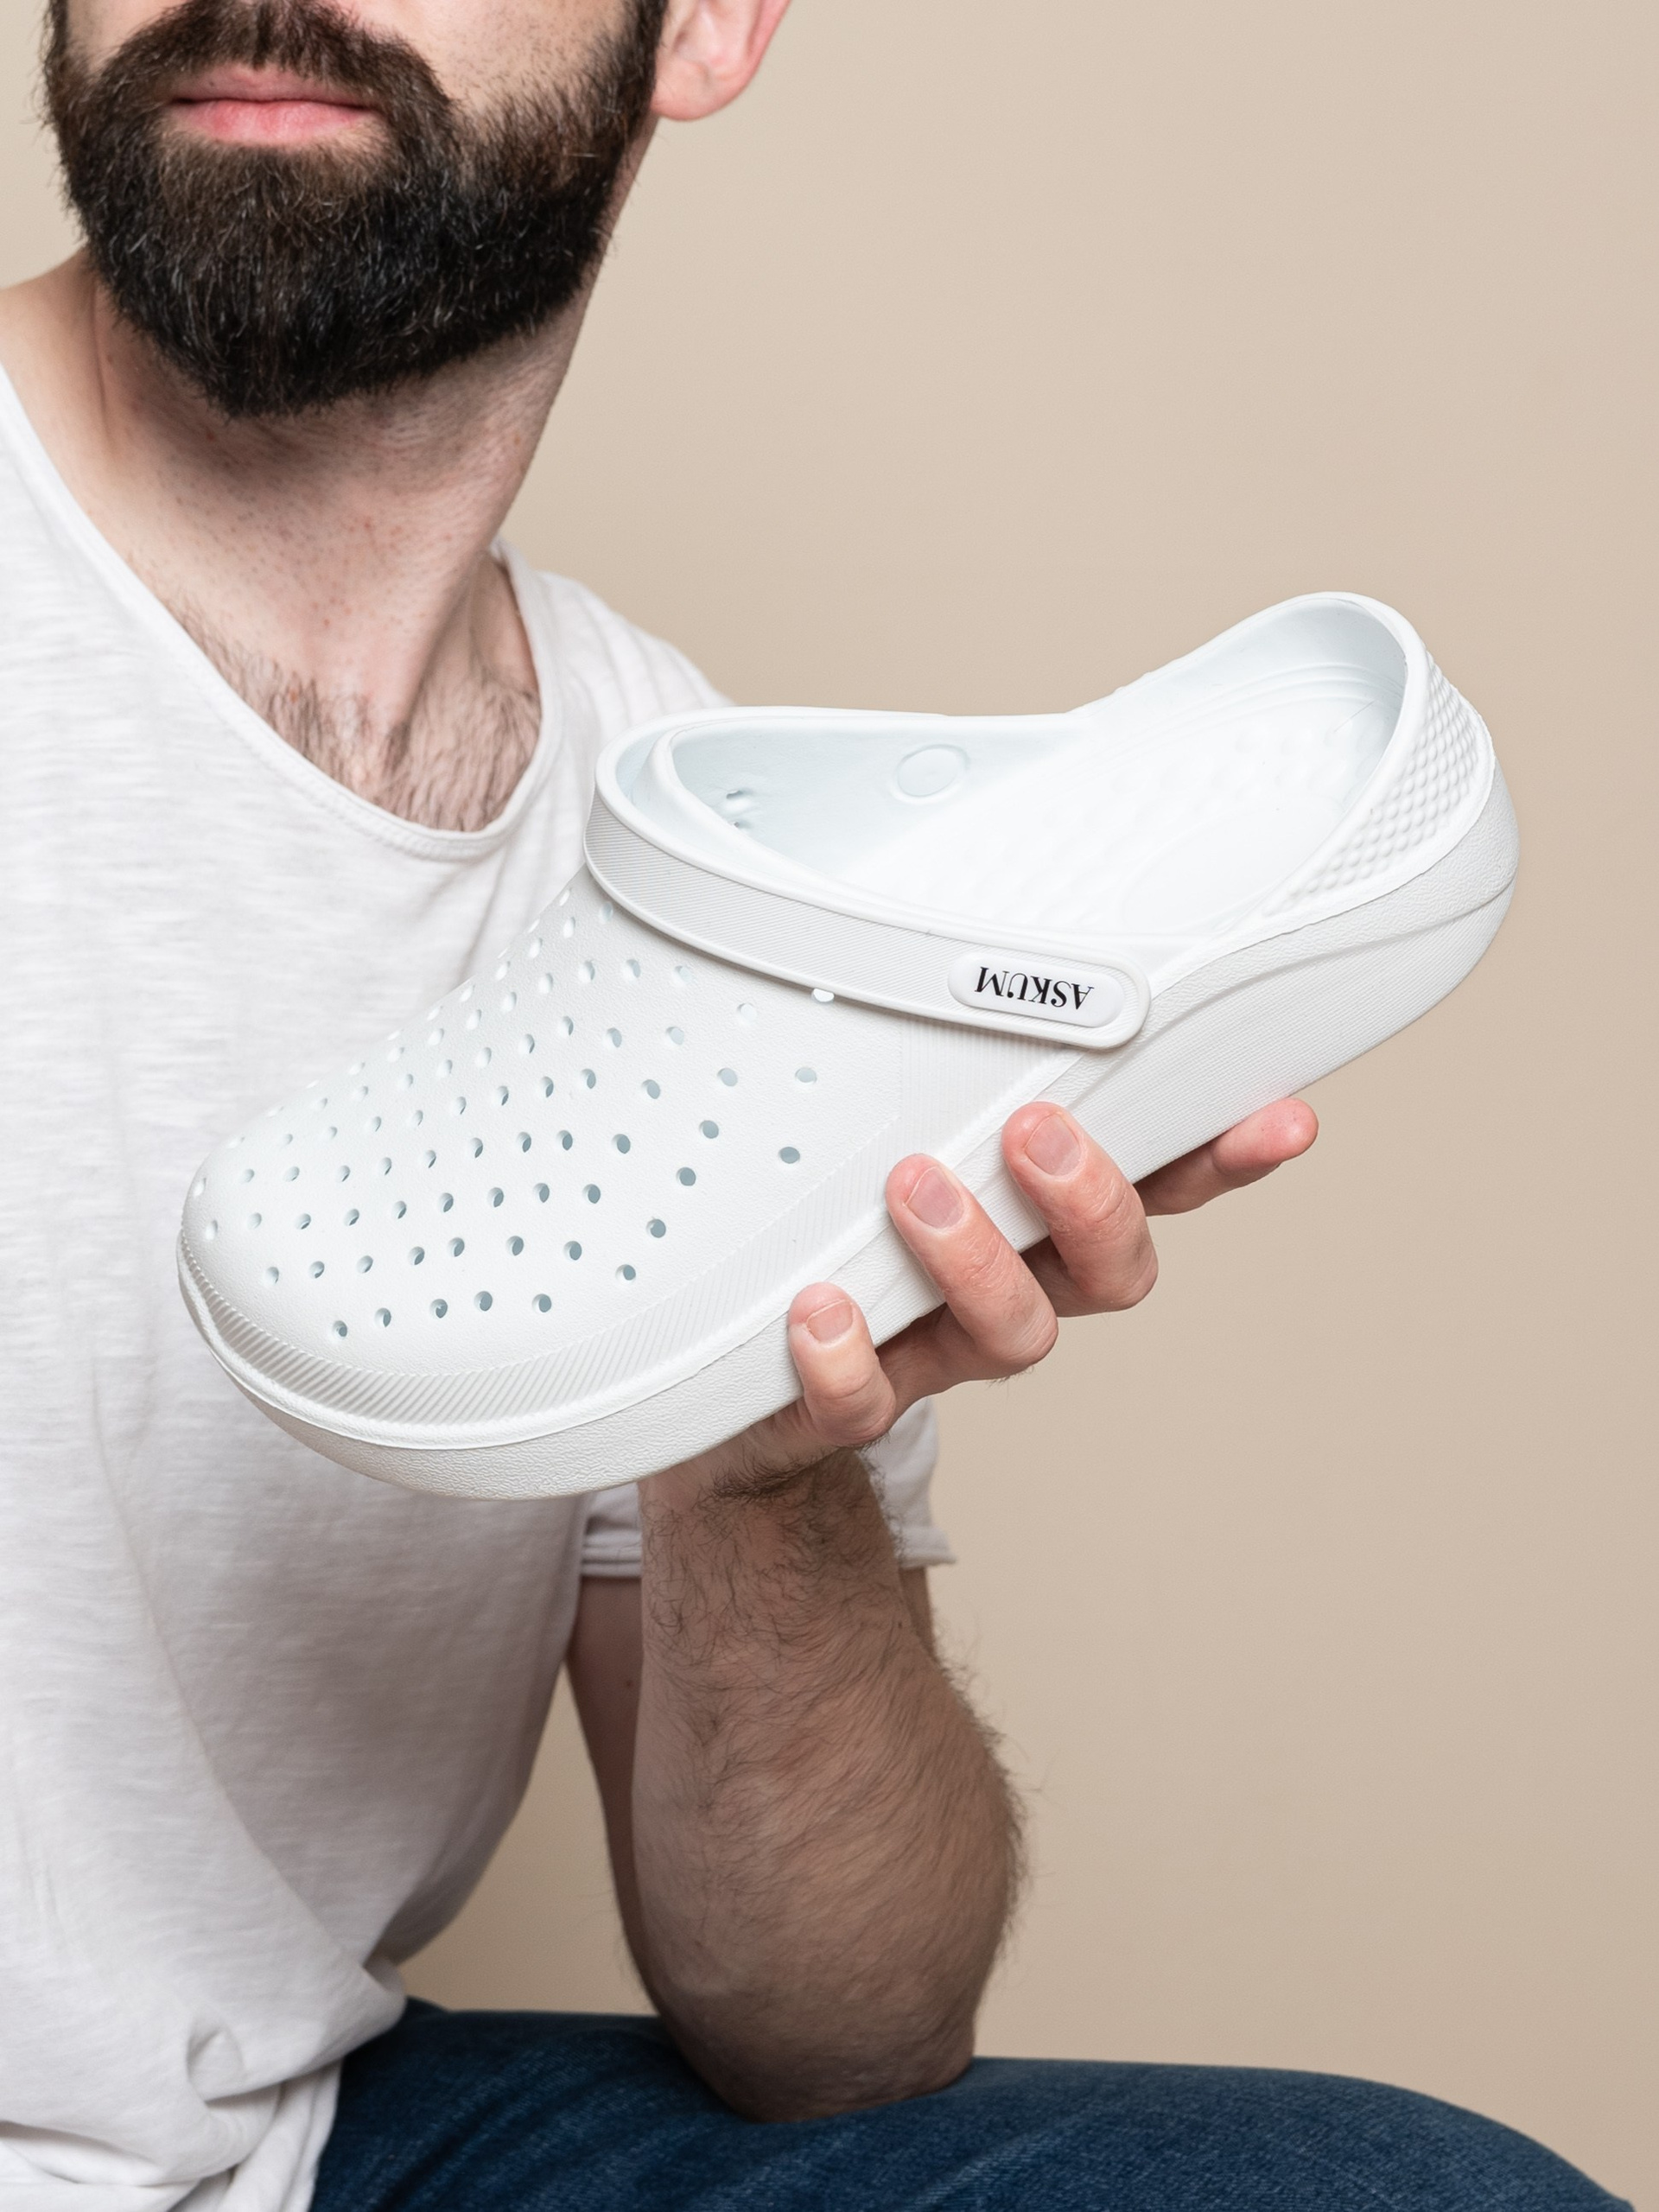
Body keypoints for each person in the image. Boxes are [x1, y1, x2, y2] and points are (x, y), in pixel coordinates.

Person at [0, 3, 1623, 2208]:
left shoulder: (707, 877)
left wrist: (755, 1469)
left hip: (270, 2143)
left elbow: (836, 2035)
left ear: (708, 22)